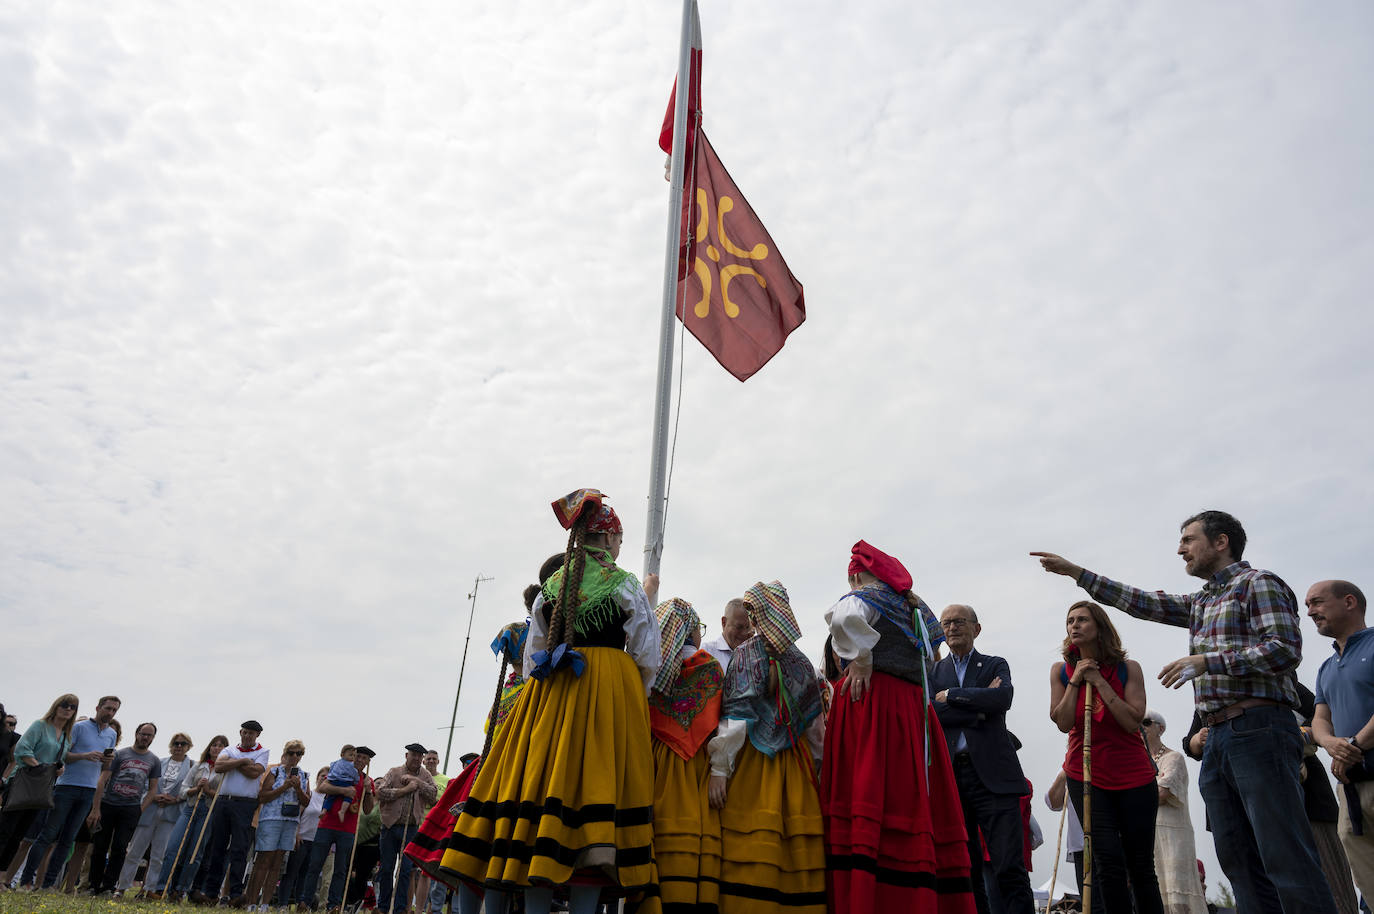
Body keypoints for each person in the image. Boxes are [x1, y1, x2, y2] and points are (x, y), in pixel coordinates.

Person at [1034, 510, 1339, 914]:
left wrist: (1209, 661)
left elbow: (1284, 650)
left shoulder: (1257, 584)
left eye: (1188, 540)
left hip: (1260, 727)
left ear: (1221, 541)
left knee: (1283, 852)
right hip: (1218, 740)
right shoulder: (1202, 602)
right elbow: (1143, 602)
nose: (1180, 550)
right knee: (1236, 857)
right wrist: (1079, 573)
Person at [440, 489, 661, 914]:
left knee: (541, 794)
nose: (620, 547)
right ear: (609, 538)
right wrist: (634, 694)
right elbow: (646, 654)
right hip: (610, 692)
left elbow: (533, 655)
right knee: (599, 798)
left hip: (552, 693)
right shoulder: (625, 583)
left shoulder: (553, 586)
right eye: (619, 539)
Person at [824, 541, 974, 914]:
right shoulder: (915, 605)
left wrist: (860, 657)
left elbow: (844, 617)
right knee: (908, 801)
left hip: (873, 706)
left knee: (869, 794)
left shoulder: (867, 595)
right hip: (910, 710)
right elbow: (931, 656)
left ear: (855, 574)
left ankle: (864, 897)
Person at [711, 580, 826, 914]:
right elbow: (815, 732)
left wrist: (719, 770)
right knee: (793, 846)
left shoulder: (747, 654)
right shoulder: (802, 661)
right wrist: (817, 773)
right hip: (796, 766)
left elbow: (737, 719)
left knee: (751, 841)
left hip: (752, 764)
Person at [1048, 600, 1162, 914]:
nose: (1074, 626)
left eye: (1082, 620)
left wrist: (1098, 681)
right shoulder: (1061, 671)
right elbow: (1062, 722)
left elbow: (1131, 721)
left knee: (1140, 864)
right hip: (1086, 775)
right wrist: (1077, 679)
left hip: (1133, 774)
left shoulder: (1129, 669)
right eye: (1070, 621)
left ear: (1100, 627)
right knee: (1107, 861)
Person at [931, 601, 1034, 914]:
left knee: (1008, 867)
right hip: (952, 777)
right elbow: (930, 713)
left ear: (976, 628)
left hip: (993, 778)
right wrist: (978, 709)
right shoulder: (935, 671)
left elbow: (1002, 698)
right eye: (946, 623)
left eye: (959, 622)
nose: (952, 628)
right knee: (965, 867)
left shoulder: (994, 664)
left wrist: (952, 697)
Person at [648, 597, 725, 913]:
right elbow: (720, 720)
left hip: (656, 762)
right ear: (689, 629)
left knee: (657, 832)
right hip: (697, 762)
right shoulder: (708, 665)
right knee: (694, 832)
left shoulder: (651, 671)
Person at [1309, 579, 1374, 898]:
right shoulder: (1325, 668)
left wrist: (1354, 744)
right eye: (1308, 605)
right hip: (1350, 788)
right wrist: (1329, 742)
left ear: (1349, 602)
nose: (1310, 612)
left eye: (1317, 602)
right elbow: (1320, 719)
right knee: (1367, 880)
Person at [19, 694, 120, 889]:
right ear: (98, 708)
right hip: (66, 786)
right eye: (107, 708)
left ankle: (48, 885)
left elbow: (106, 765)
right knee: (48, 835)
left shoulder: (111, 734)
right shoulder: (79, 727)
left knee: (68, 840)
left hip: (89, 790)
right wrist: (85, 755)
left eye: (114, 710)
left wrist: (107, 761)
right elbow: (63, 755)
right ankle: (26, 881)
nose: (110, 713)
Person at [190, 720, 268, 906]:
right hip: (224, 801)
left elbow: (254, 773)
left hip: (245, 803)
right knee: (217, 847)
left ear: (257, 735)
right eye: (245, 732)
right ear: (241, 732)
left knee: (239, 849)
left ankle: (235, 894)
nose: (248, 736)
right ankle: (210, 893)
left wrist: (231, 764)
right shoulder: (230, 749)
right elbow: (219, 766)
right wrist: (242, 761)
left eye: (252, 733)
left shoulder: (262, 752)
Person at [0, 694, 76, 878]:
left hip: (42, 789)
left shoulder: (66, 736)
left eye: (72, 706)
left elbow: (58, 759)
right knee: (5, 831)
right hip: (23, 783)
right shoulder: (40, 726)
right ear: (56, 706)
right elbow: (22, 749)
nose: (68, 709)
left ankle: (2, 877)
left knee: (19, 834)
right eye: (65, 705)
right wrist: (39, 767)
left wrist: (60, 768)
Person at [1141, 711, 1207, 914]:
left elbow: (1162, 793)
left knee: (1177, 892)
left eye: (1145, 722)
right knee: (1153, 892)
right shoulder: (1137, 762)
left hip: (1173, 837)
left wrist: (1133, 799)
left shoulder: (1173, 758)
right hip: (1147, 836)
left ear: (1160, 728)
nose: (1139, 727)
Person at [115, 730, 193, 897]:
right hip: (150, 810)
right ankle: (121, 887)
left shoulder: (191, 766)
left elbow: (190, 791)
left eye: (182, 744)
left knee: (159, 855)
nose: (178, 746)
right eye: (175, 743)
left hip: (171, 815)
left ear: (188, 747)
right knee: (135, 851)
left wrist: (176, 799)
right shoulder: (158, 762)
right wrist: (153, 796)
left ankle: (150, 889)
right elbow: (144, 784)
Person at [87, 721, 162, 896]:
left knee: (120, 848)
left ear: (153, 738)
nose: (145, 738)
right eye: (143, 733)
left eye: (149, 735)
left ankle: (109, 886)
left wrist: (140, 809)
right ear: (136, 734)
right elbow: (102, 780)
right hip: (109, 804)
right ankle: (93, 885)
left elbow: (152, 790)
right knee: (100, 846)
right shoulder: (120, 755)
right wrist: (96, 808)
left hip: (131, 808)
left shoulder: (154, 761)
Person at [301, 743, 376, 911]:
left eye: (364, 758)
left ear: (367, 762)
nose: (360, 760)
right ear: (352, 757)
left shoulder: (367, 780)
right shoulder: (341, 771)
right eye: (358, 756)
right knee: (315, 864)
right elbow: (323, 787)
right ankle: (305, 901)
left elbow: (368, 809)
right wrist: (344, 791)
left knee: (341, 869)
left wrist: (368, 791)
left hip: (348, 829)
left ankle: (333, 904)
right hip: (327, 823)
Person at [156, 734, 228, 901]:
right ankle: (162, 887)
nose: (216, 748)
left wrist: (208, 790)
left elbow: (221, 796)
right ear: (209, 748)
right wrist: (195, 789)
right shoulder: (198, 766)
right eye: (214, 745)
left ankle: (181, 889)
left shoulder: (225, 771)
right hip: (190, 808)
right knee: (173, 848)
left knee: (195, 853)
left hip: (208, 812)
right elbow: (183, 789)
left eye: (221, 746)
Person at [242, 739, 310, 910]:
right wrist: (284, 786)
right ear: (285, 754)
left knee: (277, 863)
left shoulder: (304, 775)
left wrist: (298, 789)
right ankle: (251, 902)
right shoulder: (275, 772)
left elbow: (306, 802)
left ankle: (265, 903)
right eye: (291, 753)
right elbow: (263, 796)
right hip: (271, 819)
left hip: (290, 822)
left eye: (298, 753)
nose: (295, 756)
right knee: (263, 861)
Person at [375, 743, 437, 914]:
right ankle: (383, 906)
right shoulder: (394, 772)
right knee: (387, 868)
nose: (416, 758)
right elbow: (380, 793)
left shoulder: (425, 775)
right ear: (406, 755)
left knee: (405, 871)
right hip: (389, 826)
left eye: (419, 755)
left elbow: (433, 795)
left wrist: (417, 783)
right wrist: (404, 790)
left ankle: (400, 909)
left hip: (411, 829)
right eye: (413, 754)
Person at [702, 598, 753, 672]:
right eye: (739, 627)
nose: (744, 633)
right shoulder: (707, 652)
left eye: (748, 627)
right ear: (724, 622)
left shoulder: (755, 653)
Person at [322, 745, 359, 816]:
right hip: (345, 782)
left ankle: (324, 810)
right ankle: (342, 811)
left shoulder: (335, 763)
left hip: (334, 781)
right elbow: (354, 774)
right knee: (350, 795)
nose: (353, 758)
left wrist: (330, 778)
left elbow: (331, 771)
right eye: (351, 755)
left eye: (354, 756)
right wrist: (356, 781)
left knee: (330, 797)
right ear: (342, 755)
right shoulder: (351, 765)